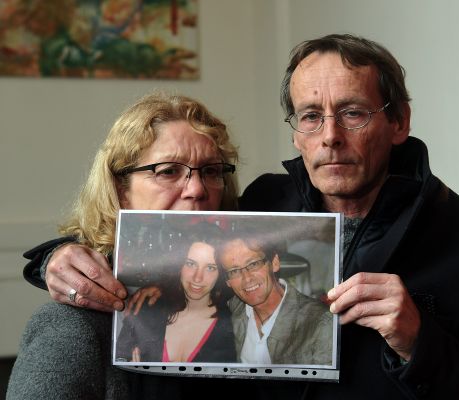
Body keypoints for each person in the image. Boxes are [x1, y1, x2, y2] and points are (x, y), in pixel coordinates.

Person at [17, 33, 459, 399]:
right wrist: (52, 258)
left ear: (398, 121)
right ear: (295, 131)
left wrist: (418, 342)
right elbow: (151, 234)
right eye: (311, 116)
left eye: (354, 113)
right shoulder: (265, 202)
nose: (330, 136)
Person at [7, 92, 255, 399]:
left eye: (211, 171)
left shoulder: (242, 303)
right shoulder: (71, 326)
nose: (197, 188)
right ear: (121, 189)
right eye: (167, 171)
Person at [116, 226, 236, 363]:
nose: (198, 278)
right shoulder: (148, 305)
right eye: (191, 264)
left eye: (210, 268)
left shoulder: (232, 323)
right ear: (179, 265)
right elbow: (118, 362)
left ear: (221, 273)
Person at [216, 224, 332, 365]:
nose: (247, 278)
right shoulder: (230, 311)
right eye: (234, 271)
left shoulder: (320, 321)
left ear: (275, 263)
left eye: (253, 264)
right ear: (228, 281)